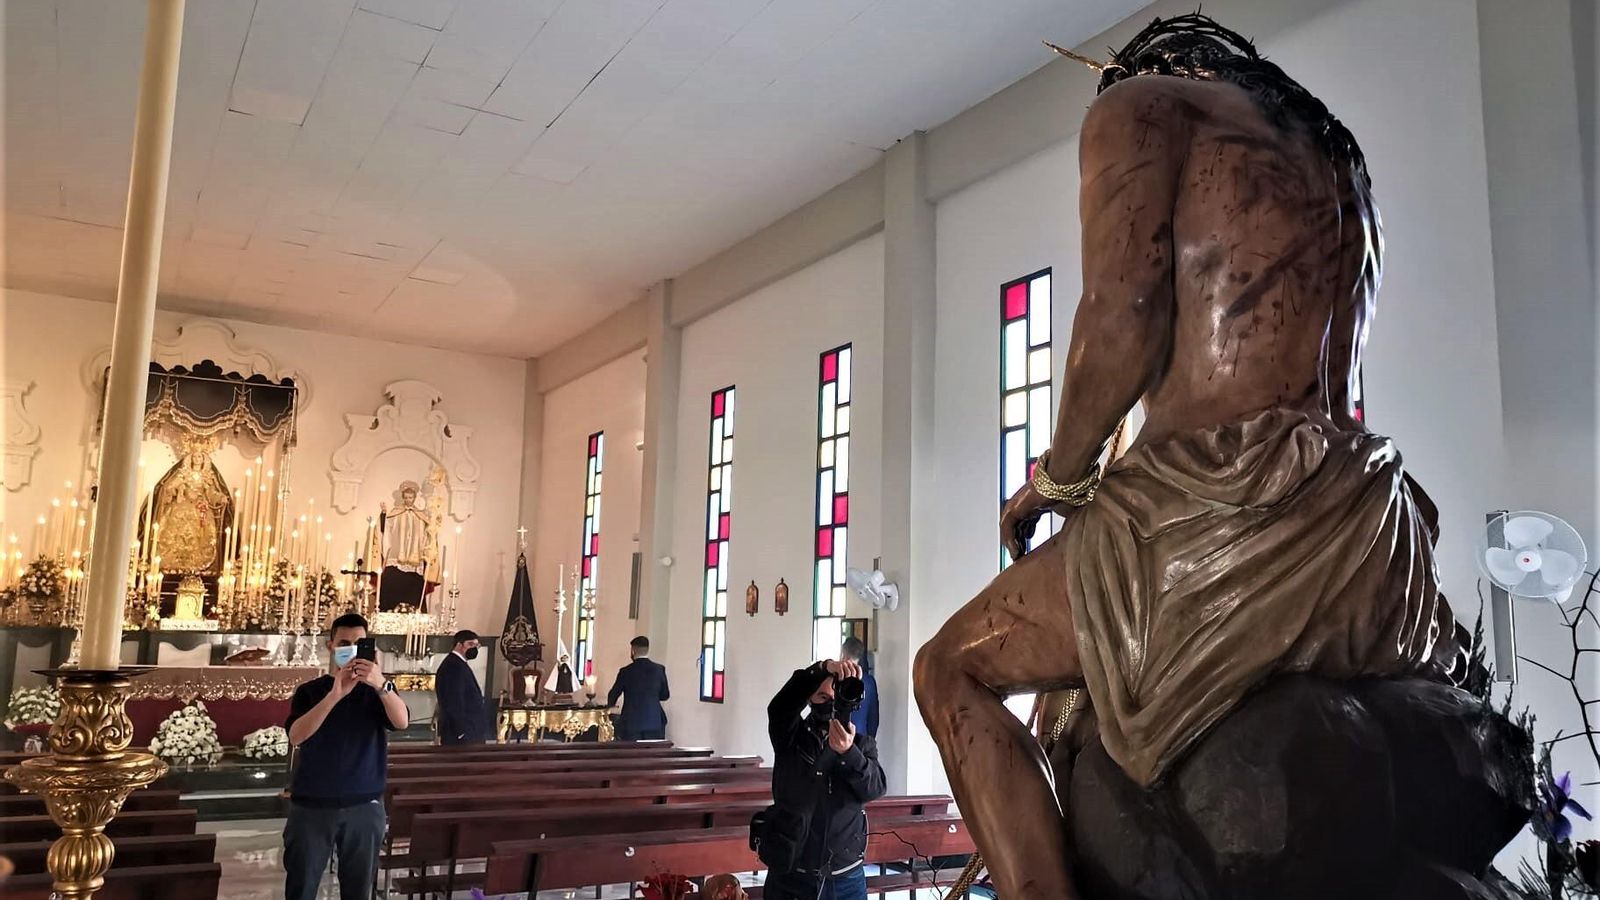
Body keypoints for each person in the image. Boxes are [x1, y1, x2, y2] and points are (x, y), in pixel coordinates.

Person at [914, 14, 1466, 899]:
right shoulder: (1338, 158)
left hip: (1216, 513)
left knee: (948, 667)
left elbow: (1122, 314)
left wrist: (1057, 477)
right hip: (1370, 521)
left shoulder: (1144, 107)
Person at [283, 613, 409, 900]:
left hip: (364, 806)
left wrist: (381, 685)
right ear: (330, 646)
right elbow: (296, 736)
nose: (351, 649)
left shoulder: (378, 692)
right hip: (311, 807)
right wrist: (335, 694)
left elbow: (401, 721)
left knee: (358, 891)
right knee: (301, 888)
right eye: (344, 643)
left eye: (359, 643)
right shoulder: (310, 691)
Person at [759, 658, 886, 900]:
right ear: (809, 699)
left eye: (835, 699)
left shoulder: (861, 745)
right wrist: (823, 668)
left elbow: (875, 788)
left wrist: (849, 754)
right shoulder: (791, 737)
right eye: (822, 697)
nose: (829, 705)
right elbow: (780, 707)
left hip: (845, 877)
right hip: (792, 873)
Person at [607, 635, 670, 740]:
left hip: (631, 723)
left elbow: (613, 694)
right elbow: (665, 695)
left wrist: (610, 706)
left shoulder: (626, 671)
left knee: (632, 754)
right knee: (653, 754)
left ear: (633, 651)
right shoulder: (659, 669)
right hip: (654, 722)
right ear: (647, 650)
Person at [434, 629, 486, 745]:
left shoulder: (459, 663)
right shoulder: (453, 666)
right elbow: (453, 701)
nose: (474, 649)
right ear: (459, 645)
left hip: (470, 731)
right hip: (461, 735)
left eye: (476, 646)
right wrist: (461, 732)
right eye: (470, 644)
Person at [839, 637, 878, 738]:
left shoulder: (836, 678)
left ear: (843, 654)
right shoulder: (869, 682)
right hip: (861, 738)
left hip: (837, 737)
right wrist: (870, 742)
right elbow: (873, 718)